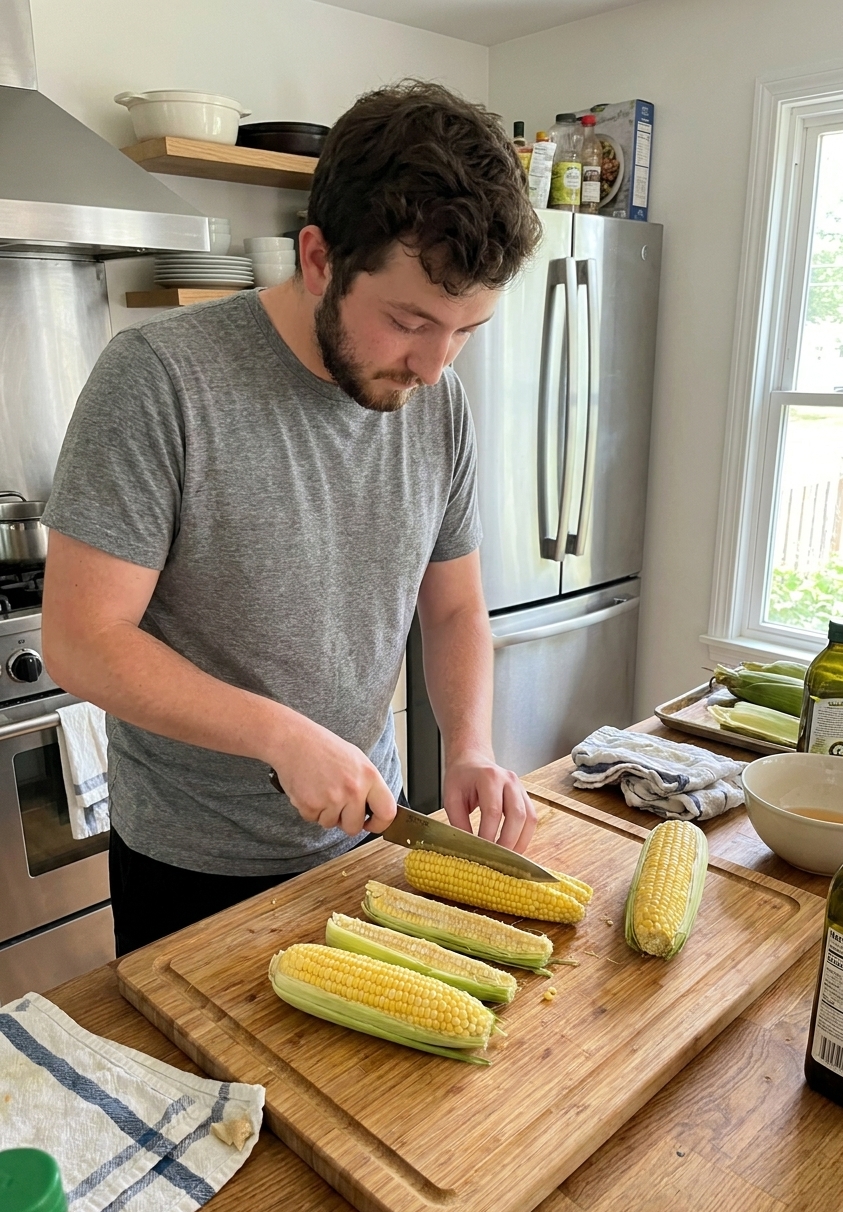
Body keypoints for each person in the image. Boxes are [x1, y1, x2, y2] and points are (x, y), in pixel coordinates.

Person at [40, 80, 542, 956]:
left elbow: (455, 607)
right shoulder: (160, 379)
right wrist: (278, 735)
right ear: (318, 259)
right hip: (193, 867)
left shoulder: (440, 403)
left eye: (467, 330)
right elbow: (82, 641)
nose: (433, 365)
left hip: (366, 835)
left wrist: (468, 746)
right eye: (409, 322)